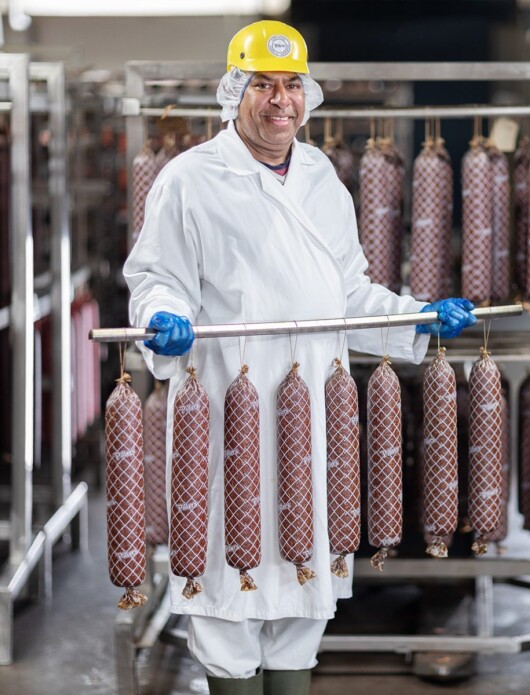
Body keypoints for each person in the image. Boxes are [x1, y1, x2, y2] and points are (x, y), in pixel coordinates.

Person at [123, 19, 476, 695]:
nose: (279, 101)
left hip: (315, 406)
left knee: (303, 590)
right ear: (235, 93)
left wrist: (419, 315)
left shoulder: (321, 178)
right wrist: (159, 317)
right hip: (224, 410)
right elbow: (154, 276)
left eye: (291, 86)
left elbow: (347, 291)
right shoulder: (189, 179)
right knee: (226, 594)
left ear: (306, 97)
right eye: (263, 85)